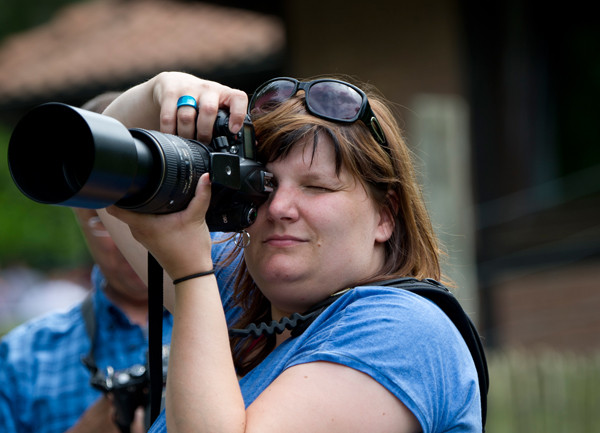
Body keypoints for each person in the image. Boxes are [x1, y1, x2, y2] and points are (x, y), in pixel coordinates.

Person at [100, 71, 481, 432]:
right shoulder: (239, 302)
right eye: (265, 184)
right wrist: (162, 90)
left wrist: (190, 274)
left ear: (386, 215)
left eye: (316, 187)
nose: (280, 207)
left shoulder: (404, 331)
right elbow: (105, 171)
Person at [0, 93, 175, 433]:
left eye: (144, 209)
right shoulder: (20, 362)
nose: (132, 236)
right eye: (104, 219)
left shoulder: (242, 325)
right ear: (78, 217)